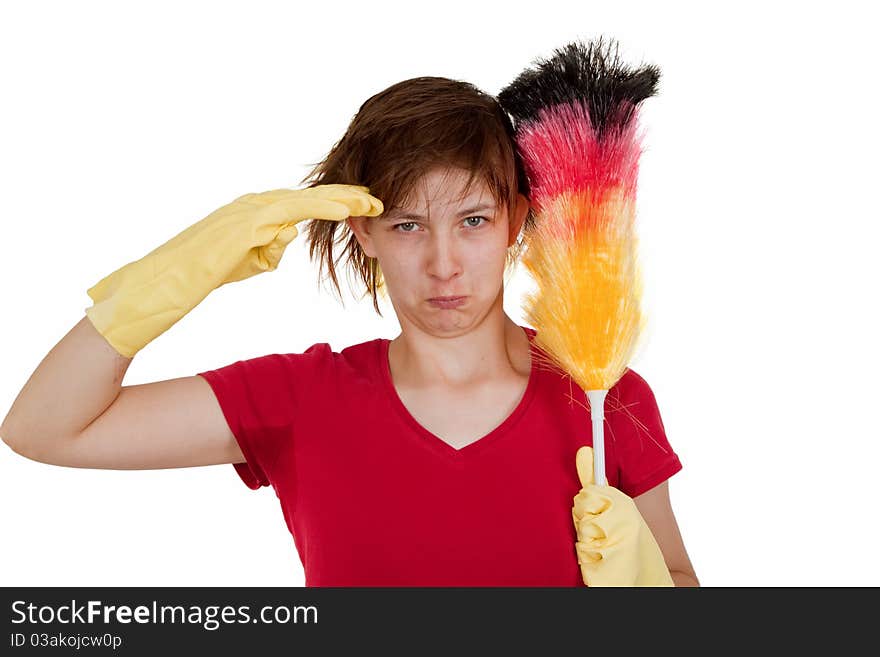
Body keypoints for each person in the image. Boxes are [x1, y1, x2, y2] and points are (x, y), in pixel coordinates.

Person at [0, 76, 699, 587]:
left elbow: (682, 585)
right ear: (364, 231)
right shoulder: (299, 398)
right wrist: (173, 277)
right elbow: (43, 427)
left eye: (474, 221)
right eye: (407, 224)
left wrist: (649, 588)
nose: (443, 262)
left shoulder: (607, 396)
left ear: (518, 218)